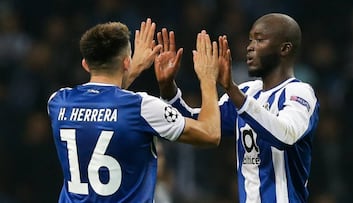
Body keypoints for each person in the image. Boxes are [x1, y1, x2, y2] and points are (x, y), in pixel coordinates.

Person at [47, 18, 221, 202]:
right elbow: (210, 134)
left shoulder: (58, 103)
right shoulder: (142, 108)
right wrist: (208, 78)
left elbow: (103, 102)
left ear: (85, 64)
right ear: (126, 62)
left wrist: (134, 67)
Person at [155, 13, 320, 202]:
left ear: (284, 48)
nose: (250, 47)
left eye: (259, 40)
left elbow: (286, 134)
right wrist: (168, 87)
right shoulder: (247, 92)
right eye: (250, 40)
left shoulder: (300, 92)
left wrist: (231, 89)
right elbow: (195, 122)